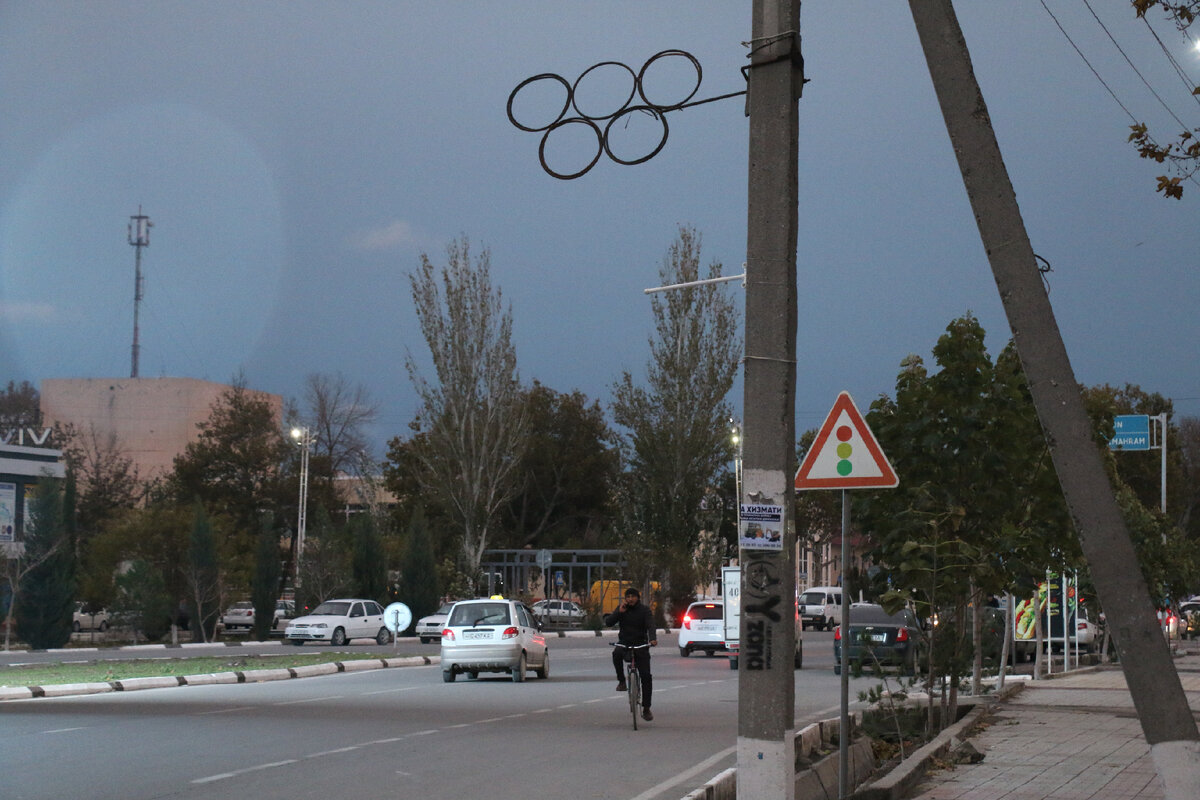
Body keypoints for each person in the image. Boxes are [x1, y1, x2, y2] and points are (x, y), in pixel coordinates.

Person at [604, 587, 657, 721]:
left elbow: (651, 625)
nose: (630, 599)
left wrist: (652, 638)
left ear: (637, 598)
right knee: (616, 654)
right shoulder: (622, 608)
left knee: (646, 676)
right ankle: (622, 681)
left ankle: (646, 708)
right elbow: (608, 622)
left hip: (640, 645)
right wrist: (619, 613)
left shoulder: (644, 610)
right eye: (628, 597)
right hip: (625, 643)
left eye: (633, 596)